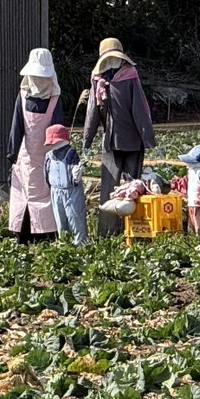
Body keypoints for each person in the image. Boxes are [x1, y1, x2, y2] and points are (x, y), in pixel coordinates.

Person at [83, 37, 157, 237]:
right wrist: (87, 139)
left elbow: (139, 110)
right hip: (114, 143)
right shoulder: (98, 81)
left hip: (129, 141)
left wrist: (148, 138)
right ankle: (111, 232)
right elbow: (93, 112)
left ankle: (130, 231)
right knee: (114, 186)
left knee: (131, 187)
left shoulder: (129, 78)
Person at [5, 48, 63, 243]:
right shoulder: (23, 96)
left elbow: (57, 129)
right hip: (26, 154)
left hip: (46, 156)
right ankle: (23, 234)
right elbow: (17, 126)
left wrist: (59, 156)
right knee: (24, 195)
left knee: (43, 194)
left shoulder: (54, 99)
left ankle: (44, 234)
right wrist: (12, 155)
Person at [44, 124, 87, 245]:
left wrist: (76, 173)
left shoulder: (70, 153)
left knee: (75, 217)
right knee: (60, 218)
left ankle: (81, 244)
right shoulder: (49, 155)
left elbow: (75, 172)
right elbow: (46, 172)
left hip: (71, 190)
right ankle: (64, 242)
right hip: (56, 190)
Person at [178, 143, 200, 235]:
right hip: (192, 203)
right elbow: (187, 182)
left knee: (199, 223)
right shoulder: (192, 171)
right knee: (192, 222)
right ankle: (193, 236)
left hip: (199, 204)